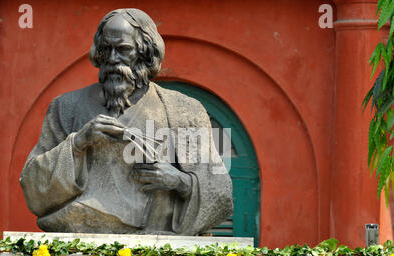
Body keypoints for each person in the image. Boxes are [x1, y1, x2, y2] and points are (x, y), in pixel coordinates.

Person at [19, 8, 233, 235]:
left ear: (145, 53)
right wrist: (78, 143)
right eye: (106, 50)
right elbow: (32, 184)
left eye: (123, 50)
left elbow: (220, 193)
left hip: (156, 239)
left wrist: (179, 181)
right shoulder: (67, 107)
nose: (112, 59)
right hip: (81, 228)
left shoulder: (183, 111)